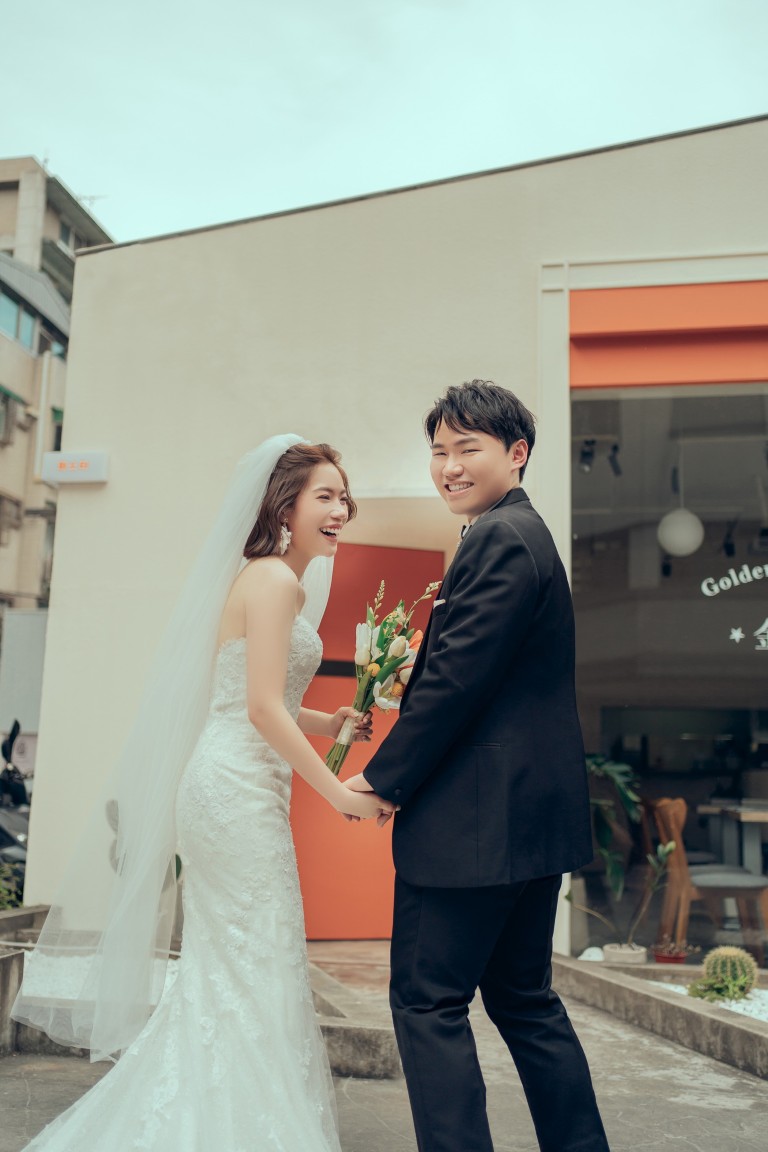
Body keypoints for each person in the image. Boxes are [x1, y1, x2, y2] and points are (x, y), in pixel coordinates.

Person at [12, 435, 393, 1151]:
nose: (341, 510)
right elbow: (260, 711)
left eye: (345, 497)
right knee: (259, 961)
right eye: (325, 496)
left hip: (237, 784)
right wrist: (339, 795)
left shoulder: (270, 579)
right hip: (235, 790)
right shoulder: (274, 581)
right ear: (284, 505)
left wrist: (329, 720)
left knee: (242, 964)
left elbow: (257, 694)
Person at [345, 382, 610, 1152]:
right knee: (525, 1001)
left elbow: (457, 683)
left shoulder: (499, 538)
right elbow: (484, 679)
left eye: (468, 448)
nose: (449, 466)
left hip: (477, 827)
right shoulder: (522, 535)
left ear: (516, 453)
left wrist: (381, 779)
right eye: (439, 451)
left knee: (427, 1003)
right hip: (529, 824)